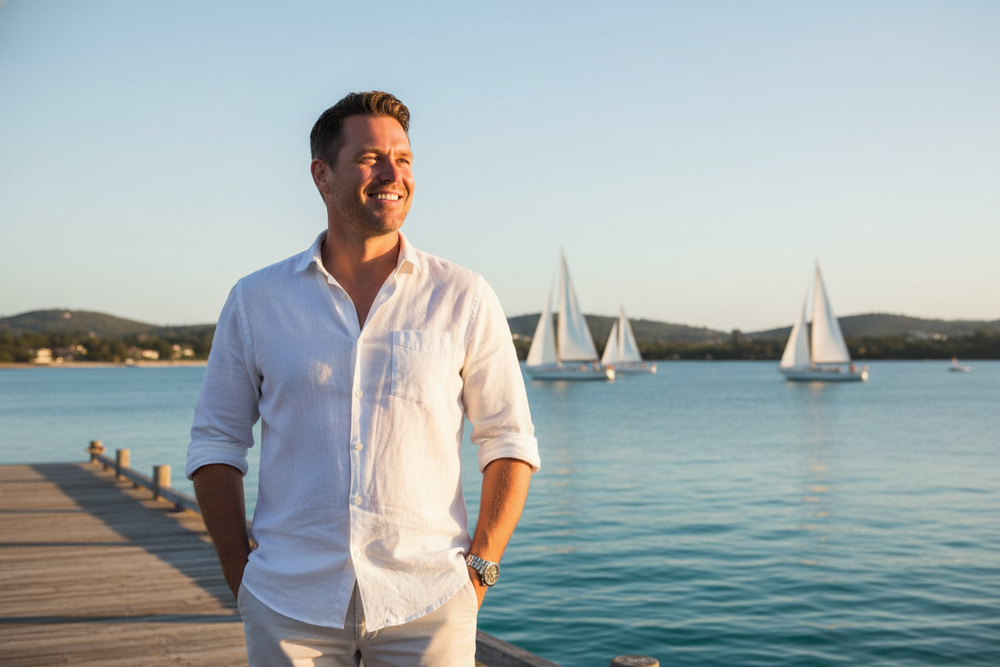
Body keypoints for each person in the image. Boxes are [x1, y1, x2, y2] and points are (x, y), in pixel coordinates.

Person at [186, 91, 539, 666]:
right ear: (321, 175)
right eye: (370, 157)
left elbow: (509, 441)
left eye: (403, 158)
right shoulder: (256, 300)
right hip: (287, 604)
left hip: (428, 602)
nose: (393, 174)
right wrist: (238, 572)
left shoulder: (464, 297)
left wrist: (480, 571)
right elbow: (216, 442)